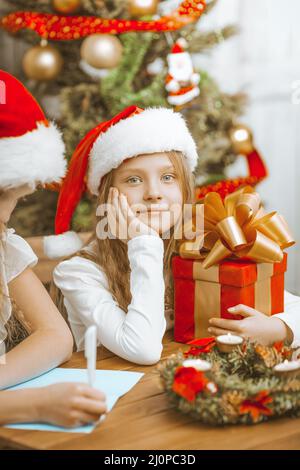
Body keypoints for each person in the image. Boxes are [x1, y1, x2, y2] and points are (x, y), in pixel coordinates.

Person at [0, 70, 106, 428]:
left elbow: (56, 336)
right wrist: (29, 406)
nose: (3, 217)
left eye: (12, 199)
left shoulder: (2, 247)